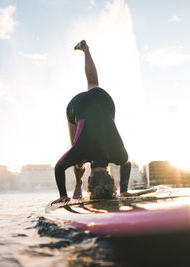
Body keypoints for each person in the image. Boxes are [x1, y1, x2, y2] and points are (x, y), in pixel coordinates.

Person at [52, 40, 133, 204]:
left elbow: (127, 163)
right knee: (74, 146)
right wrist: (62, 195)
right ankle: (77, 185)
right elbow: (58, 168)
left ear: (111, 177)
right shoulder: (80, 153)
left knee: (93, 83)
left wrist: (124, 190)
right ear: (90, 180)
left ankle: (86, 49)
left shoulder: (119, 154)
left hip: (102, 100)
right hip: (77, 106)